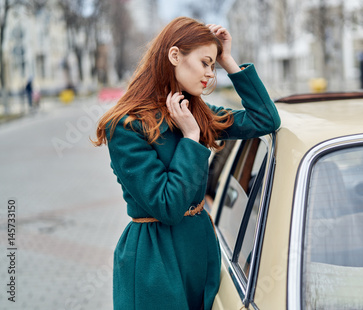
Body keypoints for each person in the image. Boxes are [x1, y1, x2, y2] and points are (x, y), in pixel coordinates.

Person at [92, 17, 280, 310]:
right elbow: (167, 205)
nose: (209, 74)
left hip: (199, 249)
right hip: (156, 260)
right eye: (205, 62)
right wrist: (191, 138)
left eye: (213, 66)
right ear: (175, 55)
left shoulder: (196, 112)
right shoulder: (127, 126)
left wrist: (229, 60)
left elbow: (265, 120)